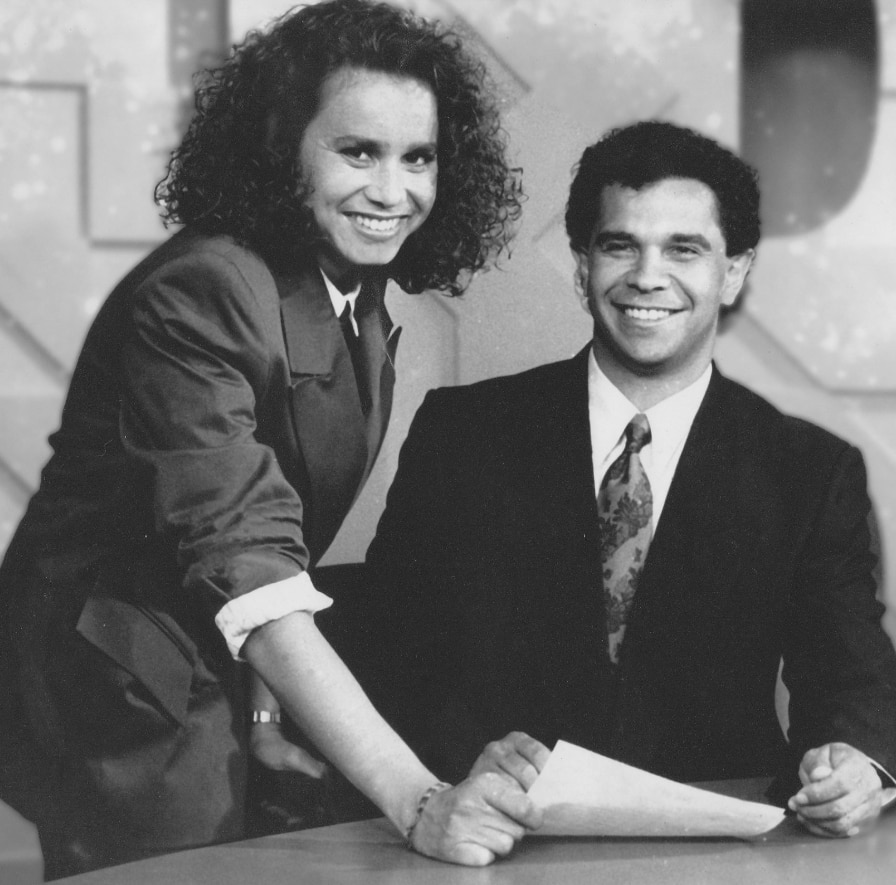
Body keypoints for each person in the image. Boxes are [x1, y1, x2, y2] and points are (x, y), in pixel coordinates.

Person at [0, 0, 541, 877]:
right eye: (357, 151)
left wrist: (262, 709)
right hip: (115, 675)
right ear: (282, 147)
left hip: (214, 648)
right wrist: (421, 798)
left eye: (419, 158)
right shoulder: (204, 289)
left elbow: (269, 533)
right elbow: (239, 549)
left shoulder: (354, 287)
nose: (392, 191)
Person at [362, 120, 896, 841]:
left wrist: (857, 760)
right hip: (496, 831)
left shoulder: (808, 468)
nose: (648, 277)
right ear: (582, 265)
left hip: (722, 846)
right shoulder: (464, 433)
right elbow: (392, 646)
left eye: (684, 249)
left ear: (733, 271)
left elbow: (850, 673)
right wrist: (459, 760)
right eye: (621, 246)